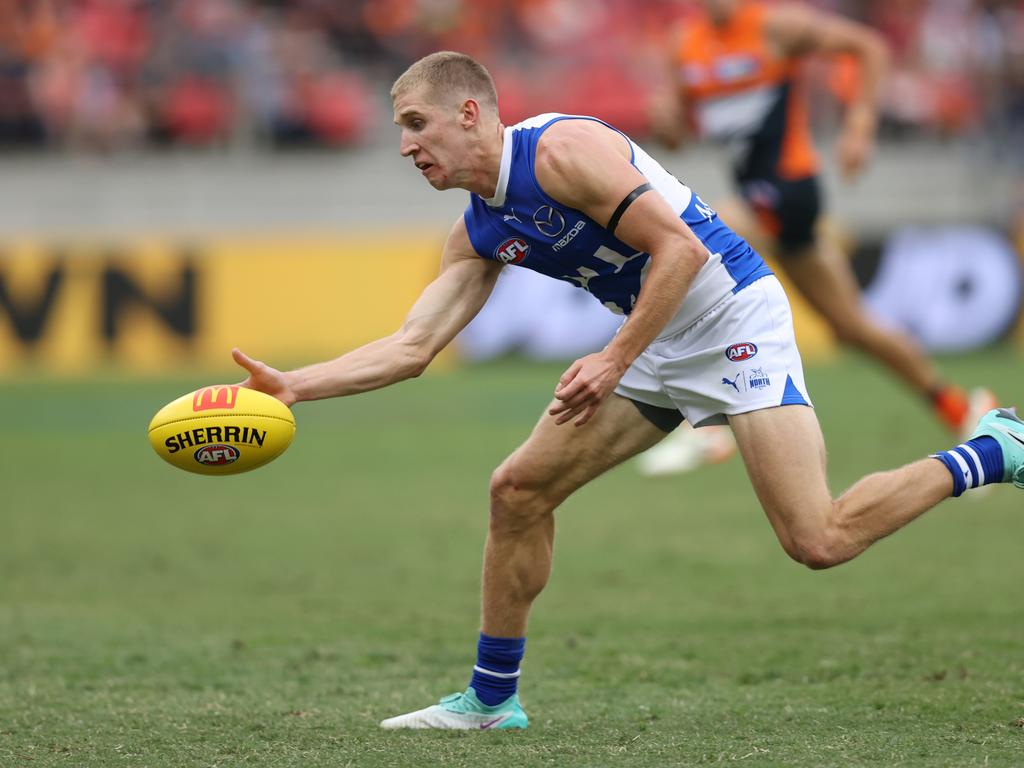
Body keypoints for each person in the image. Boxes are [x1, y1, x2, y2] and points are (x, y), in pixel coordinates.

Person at [231, 51, 1023, 730]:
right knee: (518, 491)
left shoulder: (562, 151)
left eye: (414, 124)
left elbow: (679, 251)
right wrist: (294, 385)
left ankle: (991, 450)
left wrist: (611, 359)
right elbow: (411, 348)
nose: (404, 145)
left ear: (468, 113)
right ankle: (490, 700)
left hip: (731, 313)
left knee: (817, 540)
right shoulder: (479, 226)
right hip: (657, 337)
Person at [638, 0, 995, 477]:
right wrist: (667, 122)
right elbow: (681, 133)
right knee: (852, 326)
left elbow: (867, 46)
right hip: (759, 194)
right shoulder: (686, 46)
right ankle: (965, 411)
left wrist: (861, 121)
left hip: (790, 189)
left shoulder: (774, 27)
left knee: (690, 246)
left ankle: (704, 431)